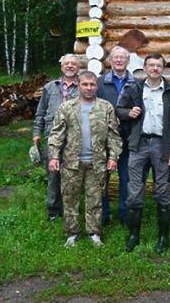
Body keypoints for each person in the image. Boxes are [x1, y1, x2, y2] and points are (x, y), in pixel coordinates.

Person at [117, 52, 170, 253]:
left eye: (158, 65)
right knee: (134, 191)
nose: (154, 68)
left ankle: (164, 237)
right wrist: (128, 113)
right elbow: (119, 109)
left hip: (162, 146)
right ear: (145, 68)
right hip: (139, 144)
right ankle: (133, 235)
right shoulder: (134, 88)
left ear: (163, 68)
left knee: (162, 190)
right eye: (151, 65)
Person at [48, 71, 122, 247]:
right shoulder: (67, 107)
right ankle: (72, 233)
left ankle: (94, 233)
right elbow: (57, 133)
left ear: (97, 86)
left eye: (92, 84)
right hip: (72, 163)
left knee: (95, 199)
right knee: (70, 198)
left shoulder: (106, 107)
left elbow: (113, 135)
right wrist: (53, 156)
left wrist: (113, 157)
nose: (89, 88)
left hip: (97, 163)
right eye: (85, 84)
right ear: (79, 85)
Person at [33, 54, 80, 222]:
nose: (69, 66)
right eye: (66, 63)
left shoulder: (84, 86)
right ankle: (53, 210)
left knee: (73, 174)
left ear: (78, 67)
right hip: (52, 136)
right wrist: (36, 133)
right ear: (61, 67)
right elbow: (40, 112)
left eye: (73, 64)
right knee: (53, 173)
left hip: (76, 137)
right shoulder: (50, 87)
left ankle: (71, 208)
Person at [97, 46, 136, 225]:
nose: (119, 61)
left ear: (128, 61)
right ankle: (103, 214)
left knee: (126, 178)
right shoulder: (100, 83)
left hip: (127, 138)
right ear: (110, 61)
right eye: (115, 58)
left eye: (122, 58)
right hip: (104, 138)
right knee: (102, 178)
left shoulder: (136, 83)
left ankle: (124, 213)